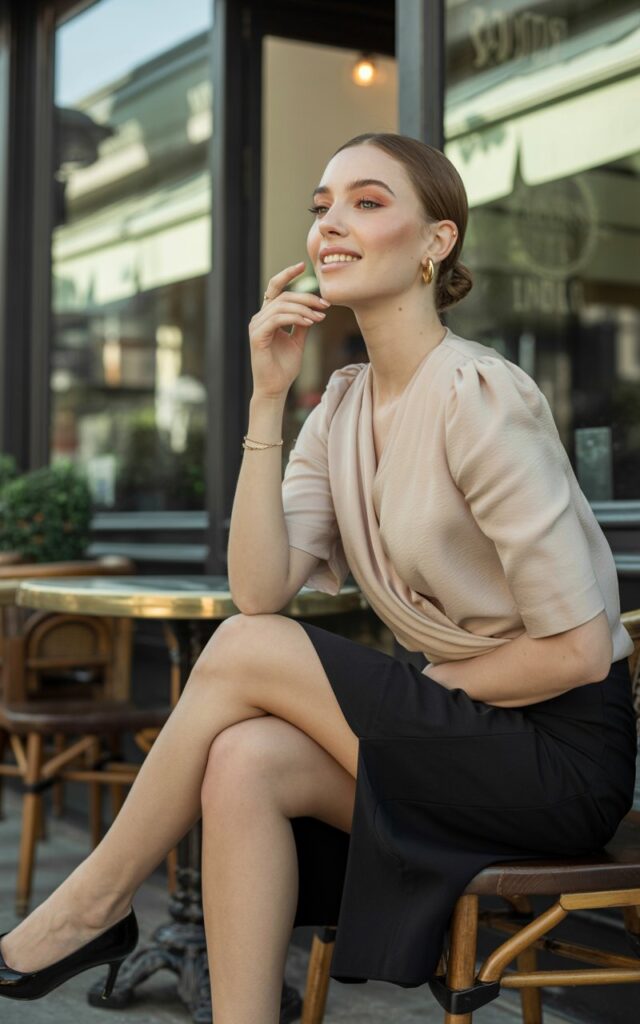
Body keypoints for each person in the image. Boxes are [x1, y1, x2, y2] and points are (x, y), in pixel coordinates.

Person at [0, 132, 637, 1021]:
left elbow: (573, 653)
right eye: (322, 206)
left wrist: (410, 696)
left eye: (368, 202)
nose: (332, 223)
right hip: (464, 735)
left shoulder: (481, 396)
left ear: (435, 243)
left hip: (553, 758)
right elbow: (260, 589)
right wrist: (267, 397)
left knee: (250, 653)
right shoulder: (339, 406)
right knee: (243, 757)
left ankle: (93, 903)